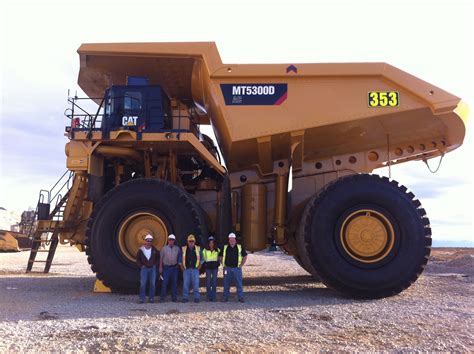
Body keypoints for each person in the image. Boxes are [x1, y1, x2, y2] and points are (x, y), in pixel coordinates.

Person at [219, 232, 247, 303]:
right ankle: (225, 297)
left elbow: (245, 256)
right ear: (229, 240)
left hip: (236, 268)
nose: (232, 241)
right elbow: (220, 256)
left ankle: (240, 297)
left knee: (239, 283)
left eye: (233, 240)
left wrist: (241, 265)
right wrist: (223, 264)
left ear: (235, 240)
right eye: (230, 240)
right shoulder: (225, 247)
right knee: (226, 284)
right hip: (227, 268)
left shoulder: (240, 247)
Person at [136, 234, 160, 303]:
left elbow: (158, 257)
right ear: (145, 241)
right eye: (148, 240)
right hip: (144, 269)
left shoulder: (154, 249)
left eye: (150, 241)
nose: (149, 242)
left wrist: (155, 264)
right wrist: (141, 265)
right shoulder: (141, 250)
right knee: (143, 283)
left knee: (152, 284)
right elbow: (137, 259)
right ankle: (142, 299)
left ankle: (151, 298)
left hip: (152, 268)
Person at [179, 234, 202, 303]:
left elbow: (202, 259)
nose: (191, 242)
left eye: (192, 241)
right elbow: (180, 260)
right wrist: (182, 268)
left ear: (194, 242)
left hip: (195, 269)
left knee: (196, 284)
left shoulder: (198, 249)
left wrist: (199, 267)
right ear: (187, 241)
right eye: (190, 241)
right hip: (186, 269)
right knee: (185, 284)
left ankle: (197, 298)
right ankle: (185, 298)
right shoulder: (183, 249)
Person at [159, 234, 180, 302]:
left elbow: (179, 258)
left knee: (174, 283)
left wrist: (178, 265)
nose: (171, 241)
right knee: (165, 283)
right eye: (170, 239)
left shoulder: (177, 248)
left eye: (172, 240)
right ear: (168, 240)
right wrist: (160, 267)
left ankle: (174, 297)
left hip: (174, 268)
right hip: (166, 268)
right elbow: (161, 258)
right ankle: (162, 298)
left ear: (174, 241)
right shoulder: (164, 248)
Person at [202, 236, 220, 302]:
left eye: (212, 242)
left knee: (214, 283)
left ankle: (214, 297)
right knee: (208, 283)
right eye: (210, 242)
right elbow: (203, 259)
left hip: (215, 268)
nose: (211, 243)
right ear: (208, 243)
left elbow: (220, 257)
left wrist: (218, 263)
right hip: (208, 268)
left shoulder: (217, 249)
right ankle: (208, 297)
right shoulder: (205, 250)